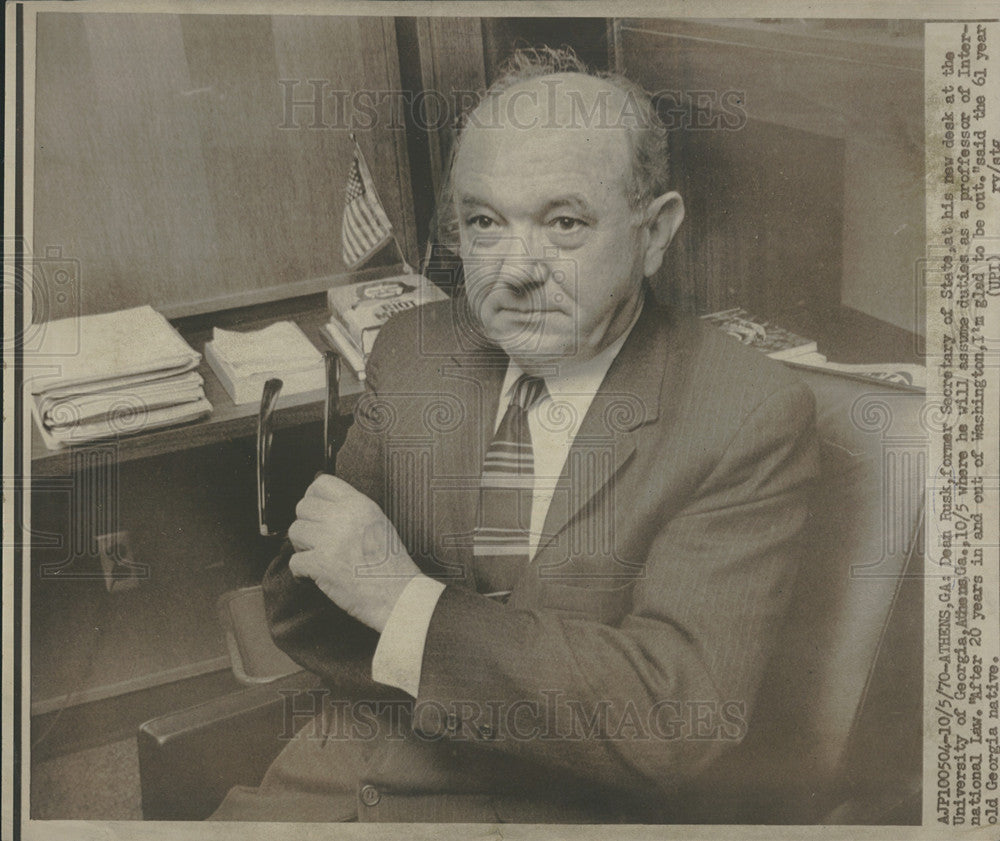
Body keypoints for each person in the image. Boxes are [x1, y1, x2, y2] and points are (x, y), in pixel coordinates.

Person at [212, 47, 819, 823]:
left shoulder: (746, 413)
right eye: (484, 223)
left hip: (557, 811)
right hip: (342, 771)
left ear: (655, 230)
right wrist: (469, 663)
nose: (515, 269)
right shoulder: (415, 351)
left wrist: (405, 604)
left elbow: (675, 718)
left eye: (564, 222)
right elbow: (302, 606)